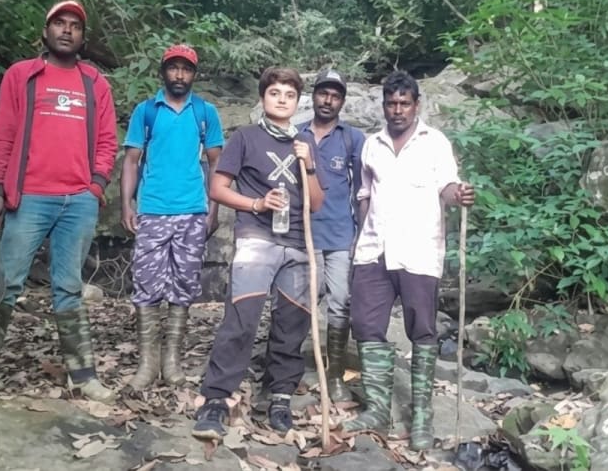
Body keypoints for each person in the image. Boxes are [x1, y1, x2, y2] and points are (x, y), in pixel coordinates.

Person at [0, 0, 118, 403]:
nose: (67, 30)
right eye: (59, 24)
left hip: (78, 200)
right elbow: (3, 134)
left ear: (83, 37)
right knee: (6, 282)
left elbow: (107, 140)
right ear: (46, 31)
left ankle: (82, 375)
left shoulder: (95, 83)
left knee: (69, 287)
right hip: (29, 197)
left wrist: (97, 185)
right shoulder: (23, 76)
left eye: (75, 26)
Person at [341, 70, 475, 451]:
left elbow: (447, 186)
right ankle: (378, 410)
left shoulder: (435, 143)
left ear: (417, 105)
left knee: (422, 330)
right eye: (391, 103)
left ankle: (421, 417)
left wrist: (458, 194)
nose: (397, 110)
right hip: (374, 250)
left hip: (419, 250)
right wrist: (359, 239)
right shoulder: (372, 144)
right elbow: (364, 194)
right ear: (384, 106)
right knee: (366, 325)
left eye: (404, 103)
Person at [191, 67, 324, 440]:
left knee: (291, 323)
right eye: (274, 93)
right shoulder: (245, 138)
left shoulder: (305, 143)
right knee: (242, 317)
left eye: (289, 95)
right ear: (263, 98)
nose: (282, 99)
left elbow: (315, 203)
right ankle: (216, 397)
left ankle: (279, 394)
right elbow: (217, 188)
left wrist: (310, 164)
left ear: (297, 102)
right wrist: (257, 203)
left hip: (297, 242)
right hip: (256, 238)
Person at [119, 44, 224, 391]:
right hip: (152, 210)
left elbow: (216, 164)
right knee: (147, 286)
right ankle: (147, 364)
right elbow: (132, 161)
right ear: (163, 71)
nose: (180, 75)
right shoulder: (146, 111)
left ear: (194, 74)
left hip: (193, 211)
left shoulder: (205, 112)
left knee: (184, 287)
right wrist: (126, 205)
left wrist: (214, 210)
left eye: (186, 69)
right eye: (174, 68)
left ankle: (172, 362)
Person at [301, 70, 364, 401]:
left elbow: (362, 190)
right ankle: (291, 369)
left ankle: (336, 376)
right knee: (299, 303)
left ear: (342, 100)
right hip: (302, 235)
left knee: (340, 304)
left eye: (335, 95)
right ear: (313, 96)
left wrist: (360, 233)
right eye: (323, 93)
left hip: (340, 234)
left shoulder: (352, 138)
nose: (328, 100)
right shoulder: (295, 135)